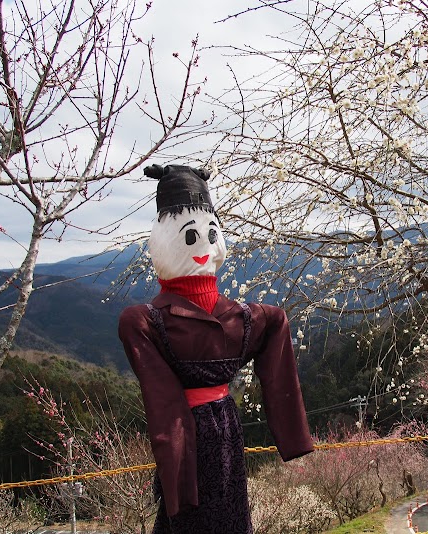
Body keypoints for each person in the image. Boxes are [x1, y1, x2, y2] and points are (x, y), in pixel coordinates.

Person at [118, 164, 314, 533]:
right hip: (204, 429)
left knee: (219, 509)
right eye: (189, 237)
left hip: (215, 428)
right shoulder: (152, 321)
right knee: (204, 512)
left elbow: (275, 322)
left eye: (210, 234)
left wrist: (291, 433)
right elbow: (163, 399)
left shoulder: (228, 317)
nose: (203, 245)